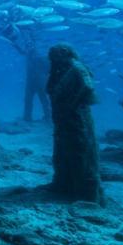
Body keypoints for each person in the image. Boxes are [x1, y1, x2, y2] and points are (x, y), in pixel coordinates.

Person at [46, 44, 104, 205]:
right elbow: (50, 89)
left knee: (80, 152)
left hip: (77, 119)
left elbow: (88, 86)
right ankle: (63, 184)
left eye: (54, 55)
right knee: (62, 151)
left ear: (64, 53)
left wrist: (73, 105)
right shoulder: (60, 70)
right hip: (62, 119)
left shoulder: (76, 67)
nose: (52, 59)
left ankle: (86, 194)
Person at [0, 13, 51, 122]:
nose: (28, 47)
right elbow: (22, 52)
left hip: (38, 81)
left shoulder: (40, 57)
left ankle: (47, 117)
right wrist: (13, 44)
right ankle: (28, 118)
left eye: (30, 45)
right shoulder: (30, 55)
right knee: (29, 99)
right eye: (28, 45)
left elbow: (47, 70)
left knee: (42, 99)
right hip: (31, 81)